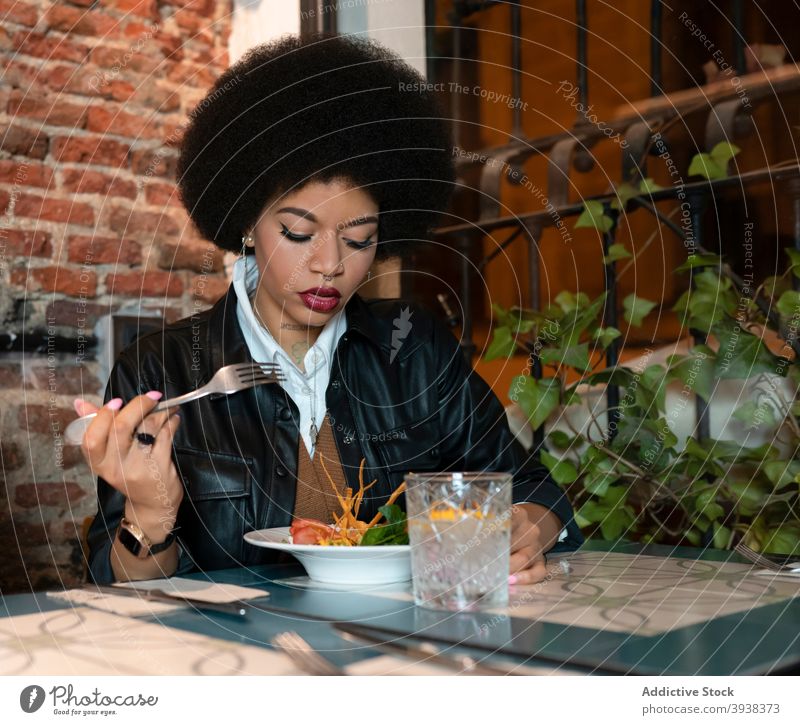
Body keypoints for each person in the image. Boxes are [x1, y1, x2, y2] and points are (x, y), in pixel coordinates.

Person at [79, 32, 582, 587]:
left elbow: (531, 486)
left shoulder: (414, 348)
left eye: (360, 239)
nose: (329, 265)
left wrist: (525, 528)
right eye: (298, 232)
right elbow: (119, 585)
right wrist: (150, 516)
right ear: (247, 223)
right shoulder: (162, 371)